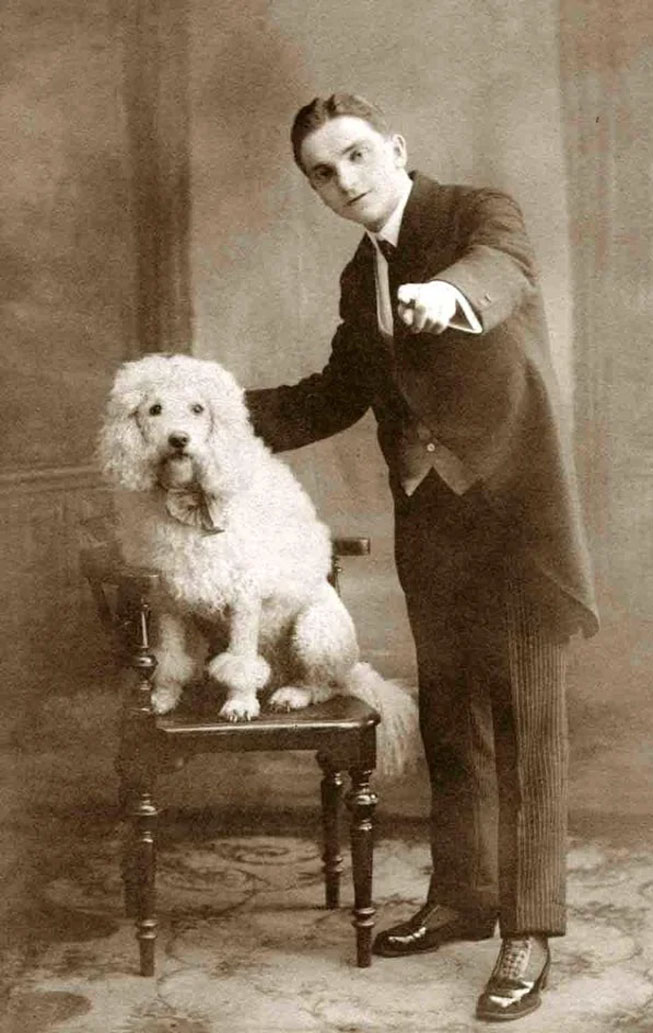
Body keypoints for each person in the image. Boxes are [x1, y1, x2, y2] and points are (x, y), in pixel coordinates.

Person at [245, 93, 598, 1023]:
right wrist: (206, 410)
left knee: (525, 721)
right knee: (450, 717)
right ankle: (463, 896)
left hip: (513, 513)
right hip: (432, 522)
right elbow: (334, 393)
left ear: (395, 148)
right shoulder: (357, 279)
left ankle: (529, 928)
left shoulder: (480, 215)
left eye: (357, 156)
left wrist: (449, 295)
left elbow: (502, 271)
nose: (344, 181)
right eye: (323, 172)